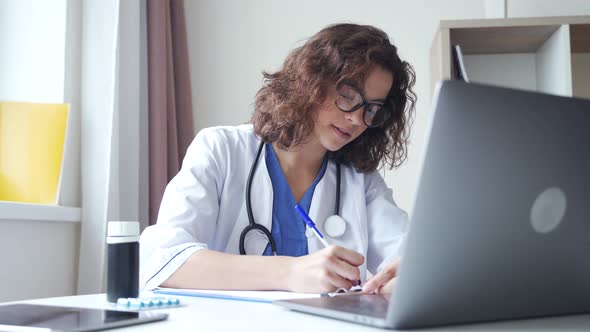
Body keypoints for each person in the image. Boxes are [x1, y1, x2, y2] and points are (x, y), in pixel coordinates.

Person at [140, 23, 416, 295]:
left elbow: (408, 258)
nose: (357, 118)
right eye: (348, 96)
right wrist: (290, 272)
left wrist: (403, 279)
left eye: (372, 108)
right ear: (312, 81)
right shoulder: (221, 149)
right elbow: (164, 261)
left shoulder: (359, 178)